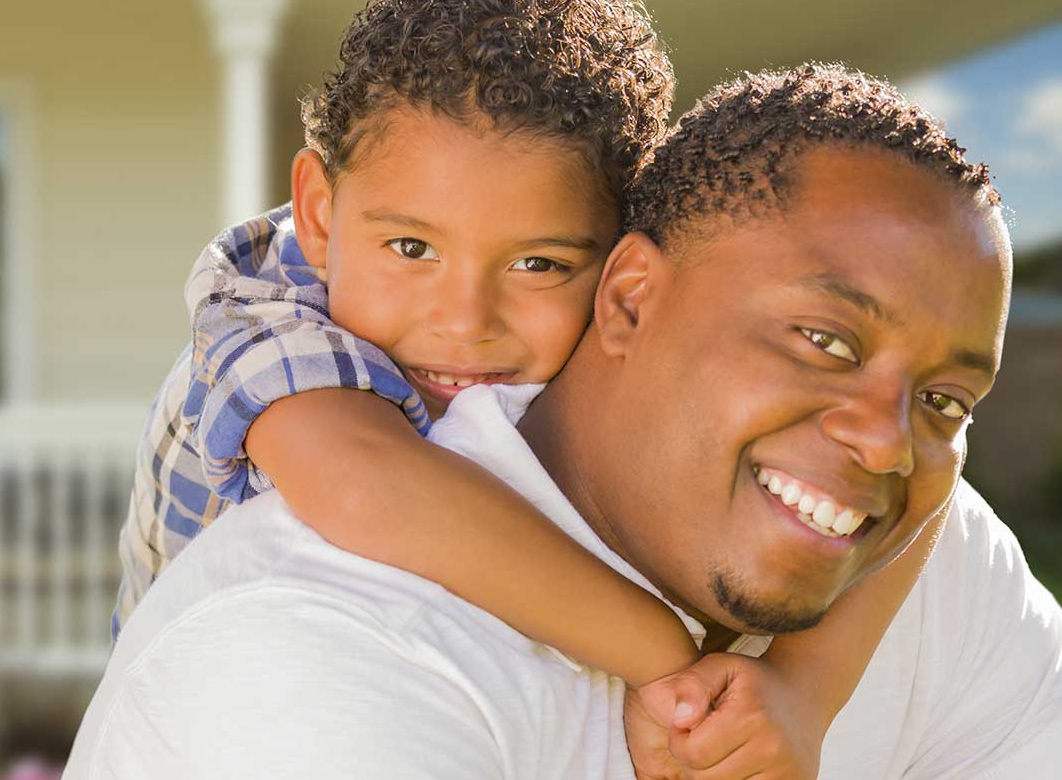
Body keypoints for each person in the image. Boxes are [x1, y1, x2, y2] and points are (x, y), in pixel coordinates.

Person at [69, 63, 1062, 778]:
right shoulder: (317, 633)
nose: (887, 440)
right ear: (630, 299)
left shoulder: (901, 522)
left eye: (943, 399)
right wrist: (676, 667)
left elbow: (933, 500)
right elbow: (370, 487)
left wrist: (804, 685)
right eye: (826, 342)